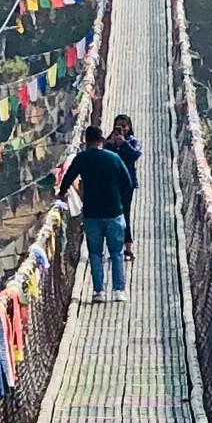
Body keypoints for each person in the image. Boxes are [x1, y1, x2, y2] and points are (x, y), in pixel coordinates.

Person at [58, 122, 134, 301]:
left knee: (95, 254)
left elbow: (67, 178)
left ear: (86, 141)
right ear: (101, 140)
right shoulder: (113, 158)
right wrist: (119, 200)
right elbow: (128, 183)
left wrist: (61, 195)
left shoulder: (82, 158)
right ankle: (118, 291)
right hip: (113, 212)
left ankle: (98, 291)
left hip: (91, 214)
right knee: (116, 253)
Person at [106, 114, 141, 262]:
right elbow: (104, 155)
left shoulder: (133, 141)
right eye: (119, 126)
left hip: (127, 184)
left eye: (124, 126)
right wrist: (112, 144)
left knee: (125, 214)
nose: (122, 129)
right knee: (112, 216)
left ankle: (128, 248)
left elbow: (135, 155)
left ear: (130, 127)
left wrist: (122, 143)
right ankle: (114, 248)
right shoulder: (110, 142)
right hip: (112, 184)